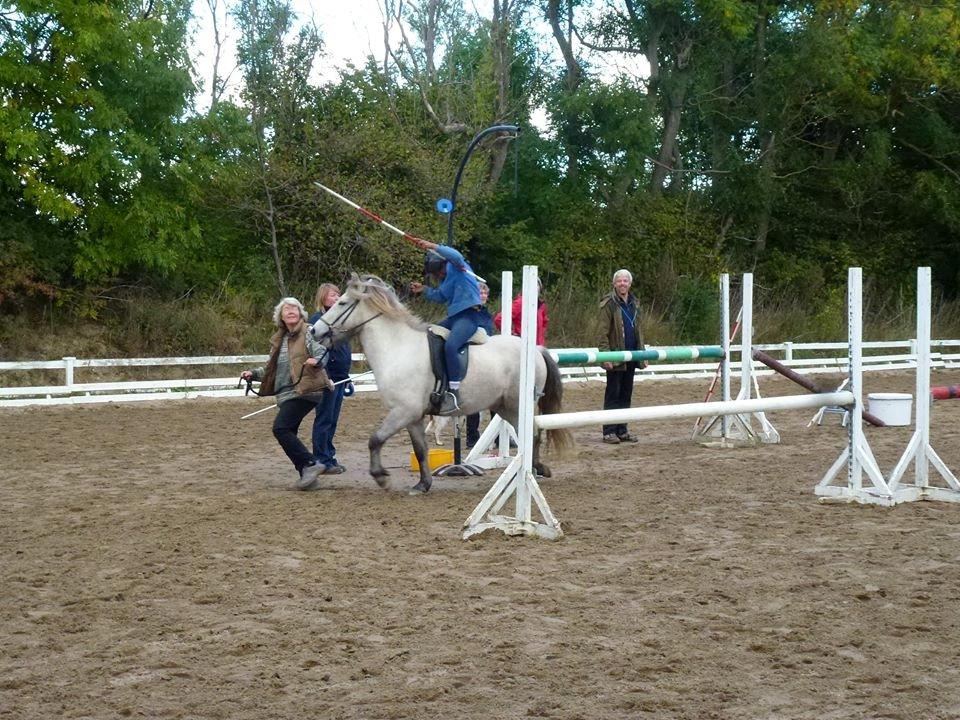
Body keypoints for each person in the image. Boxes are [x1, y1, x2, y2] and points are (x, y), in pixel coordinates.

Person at [241, 297, 333, 490]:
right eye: (286, 309)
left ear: (301, 314)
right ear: (280, 316)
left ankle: (311, 464)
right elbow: (272, 368)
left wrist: (317, 360)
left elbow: (322, 351)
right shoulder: (279, 339)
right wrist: (254, 374)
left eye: (295, 309)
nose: (291, 311)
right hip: (287, 393)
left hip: (306, 389)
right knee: (289, 432)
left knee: (280, 428)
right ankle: (308, 479)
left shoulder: (308, 331)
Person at [409, 239, 482, 415]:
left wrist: (433, 246)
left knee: (451, 345)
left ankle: (455, 392)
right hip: (454, 317)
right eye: (435, 274)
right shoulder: (446, 279)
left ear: (443, 264)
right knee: (430, 336)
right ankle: (437, 382)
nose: (438, 276)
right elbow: (441, 296)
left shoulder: (457, 266)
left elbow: (456, 255)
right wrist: (424, 290)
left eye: (438, 272)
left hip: (469, 315)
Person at [596, 269, 645, 444]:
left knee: (626, 393)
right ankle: (609, 431)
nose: (622, 284)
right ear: (614, 284)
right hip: (616, 355)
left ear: (629, 284)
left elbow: (639, 329)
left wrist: (643, 353)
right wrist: (605, 355)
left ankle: (622, 430)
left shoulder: (634, 303)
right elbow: (601, 333)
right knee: (613, 394)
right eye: (619, 281)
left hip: (632, 354)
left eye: (625, 281)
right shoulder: (608, 304)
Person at [309, 283, 352, 475]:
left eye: (338, 294)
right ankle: (321, 459)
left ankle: (329, 456)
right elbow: (319, 351)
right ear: (323, 298)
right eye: (332, 295)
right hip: (327, 377)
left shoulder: (340, 320)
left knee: (332, 419)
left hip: (340, 377)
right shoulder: (319, 321)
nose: (336, 297)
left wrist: (346, 376)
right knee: (324, 418)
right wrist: (326, 376)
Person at [466, 282, 496, 447]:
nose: (483, 296)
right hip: (473, 357)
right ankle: (472, 437)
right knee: (474, 400)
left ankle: (498, 435)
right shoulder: (471, 312)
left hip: (487, 356)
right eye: (481, 293)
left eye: (485, 293)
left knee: (495, 398)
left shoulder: (486, 313)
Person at [493, 278, 548, 346]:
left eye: (537, 285)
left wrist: (541, 339)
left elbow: (544, 324)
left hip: (538, 348)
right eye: (531, 285)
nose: (534, 288)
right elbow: (499, 319)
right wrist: (512, 335)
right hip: (520, 347)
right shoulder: (520, 302)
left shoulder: (541, 305)